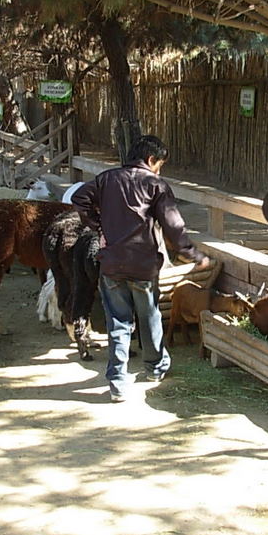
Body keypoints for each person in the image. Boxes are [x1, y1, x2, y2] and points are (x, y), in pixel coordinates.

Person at [72, 135, 209, 402]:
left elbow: (79, 198)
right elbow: (174, 225)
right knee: (149, 317)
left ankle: (118, 384)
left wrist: (98, 225)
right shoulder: (156, 185)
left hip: (111, 264)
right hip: (144, 265)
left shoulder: (105, 179)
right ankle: (155, 368)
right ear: (150, 160)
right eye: (160, 164)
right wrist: (192, 253)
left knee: (118, 323)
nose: (160, 170)